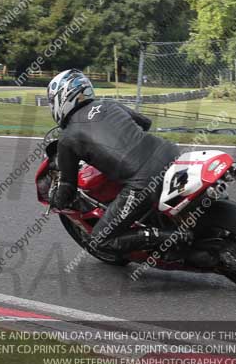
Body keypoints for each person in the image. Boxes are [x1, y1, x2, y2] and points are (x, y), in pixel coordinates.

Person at [47, 69, 185, 255]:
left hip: (144, 182)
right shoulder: (108, 104)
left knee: (100, 240)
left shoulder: (67, 138)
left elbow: (68, 187)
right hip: (170, 152)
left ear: (60, 99)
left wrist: (56, 201)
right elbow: (145, 122)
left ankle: (171, 236)